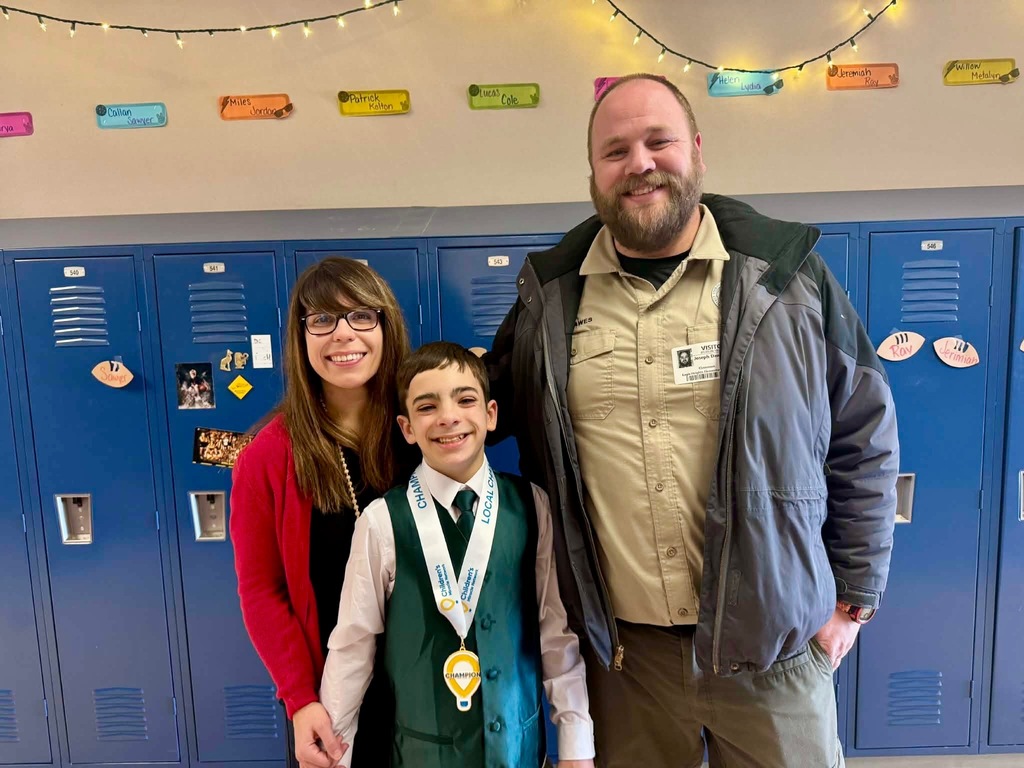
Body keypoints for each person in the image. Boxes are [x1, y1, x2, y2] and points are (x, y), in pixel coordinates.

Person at [485, 73, 899, 767]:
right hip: (626, 663)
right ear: (594, 173)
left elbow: (864, 436)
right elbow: (473, 411)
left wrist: (854, 597)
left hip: (772, 657)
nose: (639, 163)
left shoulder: (788, 283)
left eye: (658, 141)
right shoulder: (550, 302)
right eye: (615, 150)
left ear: (697, 150)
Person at [320, 341, 596, 768]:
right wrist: (334, 754)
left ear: (490, 415)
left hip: (519, 752)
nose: (448, 416)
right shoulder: (381, 521)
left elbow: (555, 633)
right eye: (426, 407)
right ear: (407, 427)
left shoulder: (532, 505)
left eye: (465, 400)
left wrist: (577, 745)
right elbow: (353, 646)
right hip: (420, 754)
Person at [231, 257, 417, 768]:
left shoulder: (424, 431)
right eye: (322, 320)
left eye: (362, 316)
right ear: (301, 335)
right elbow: (260, 591)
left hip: (435, 688)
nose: (343, 335)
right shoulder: (266, 457)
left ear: (385, 326)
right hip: (334, 696)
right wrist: (299, 698)